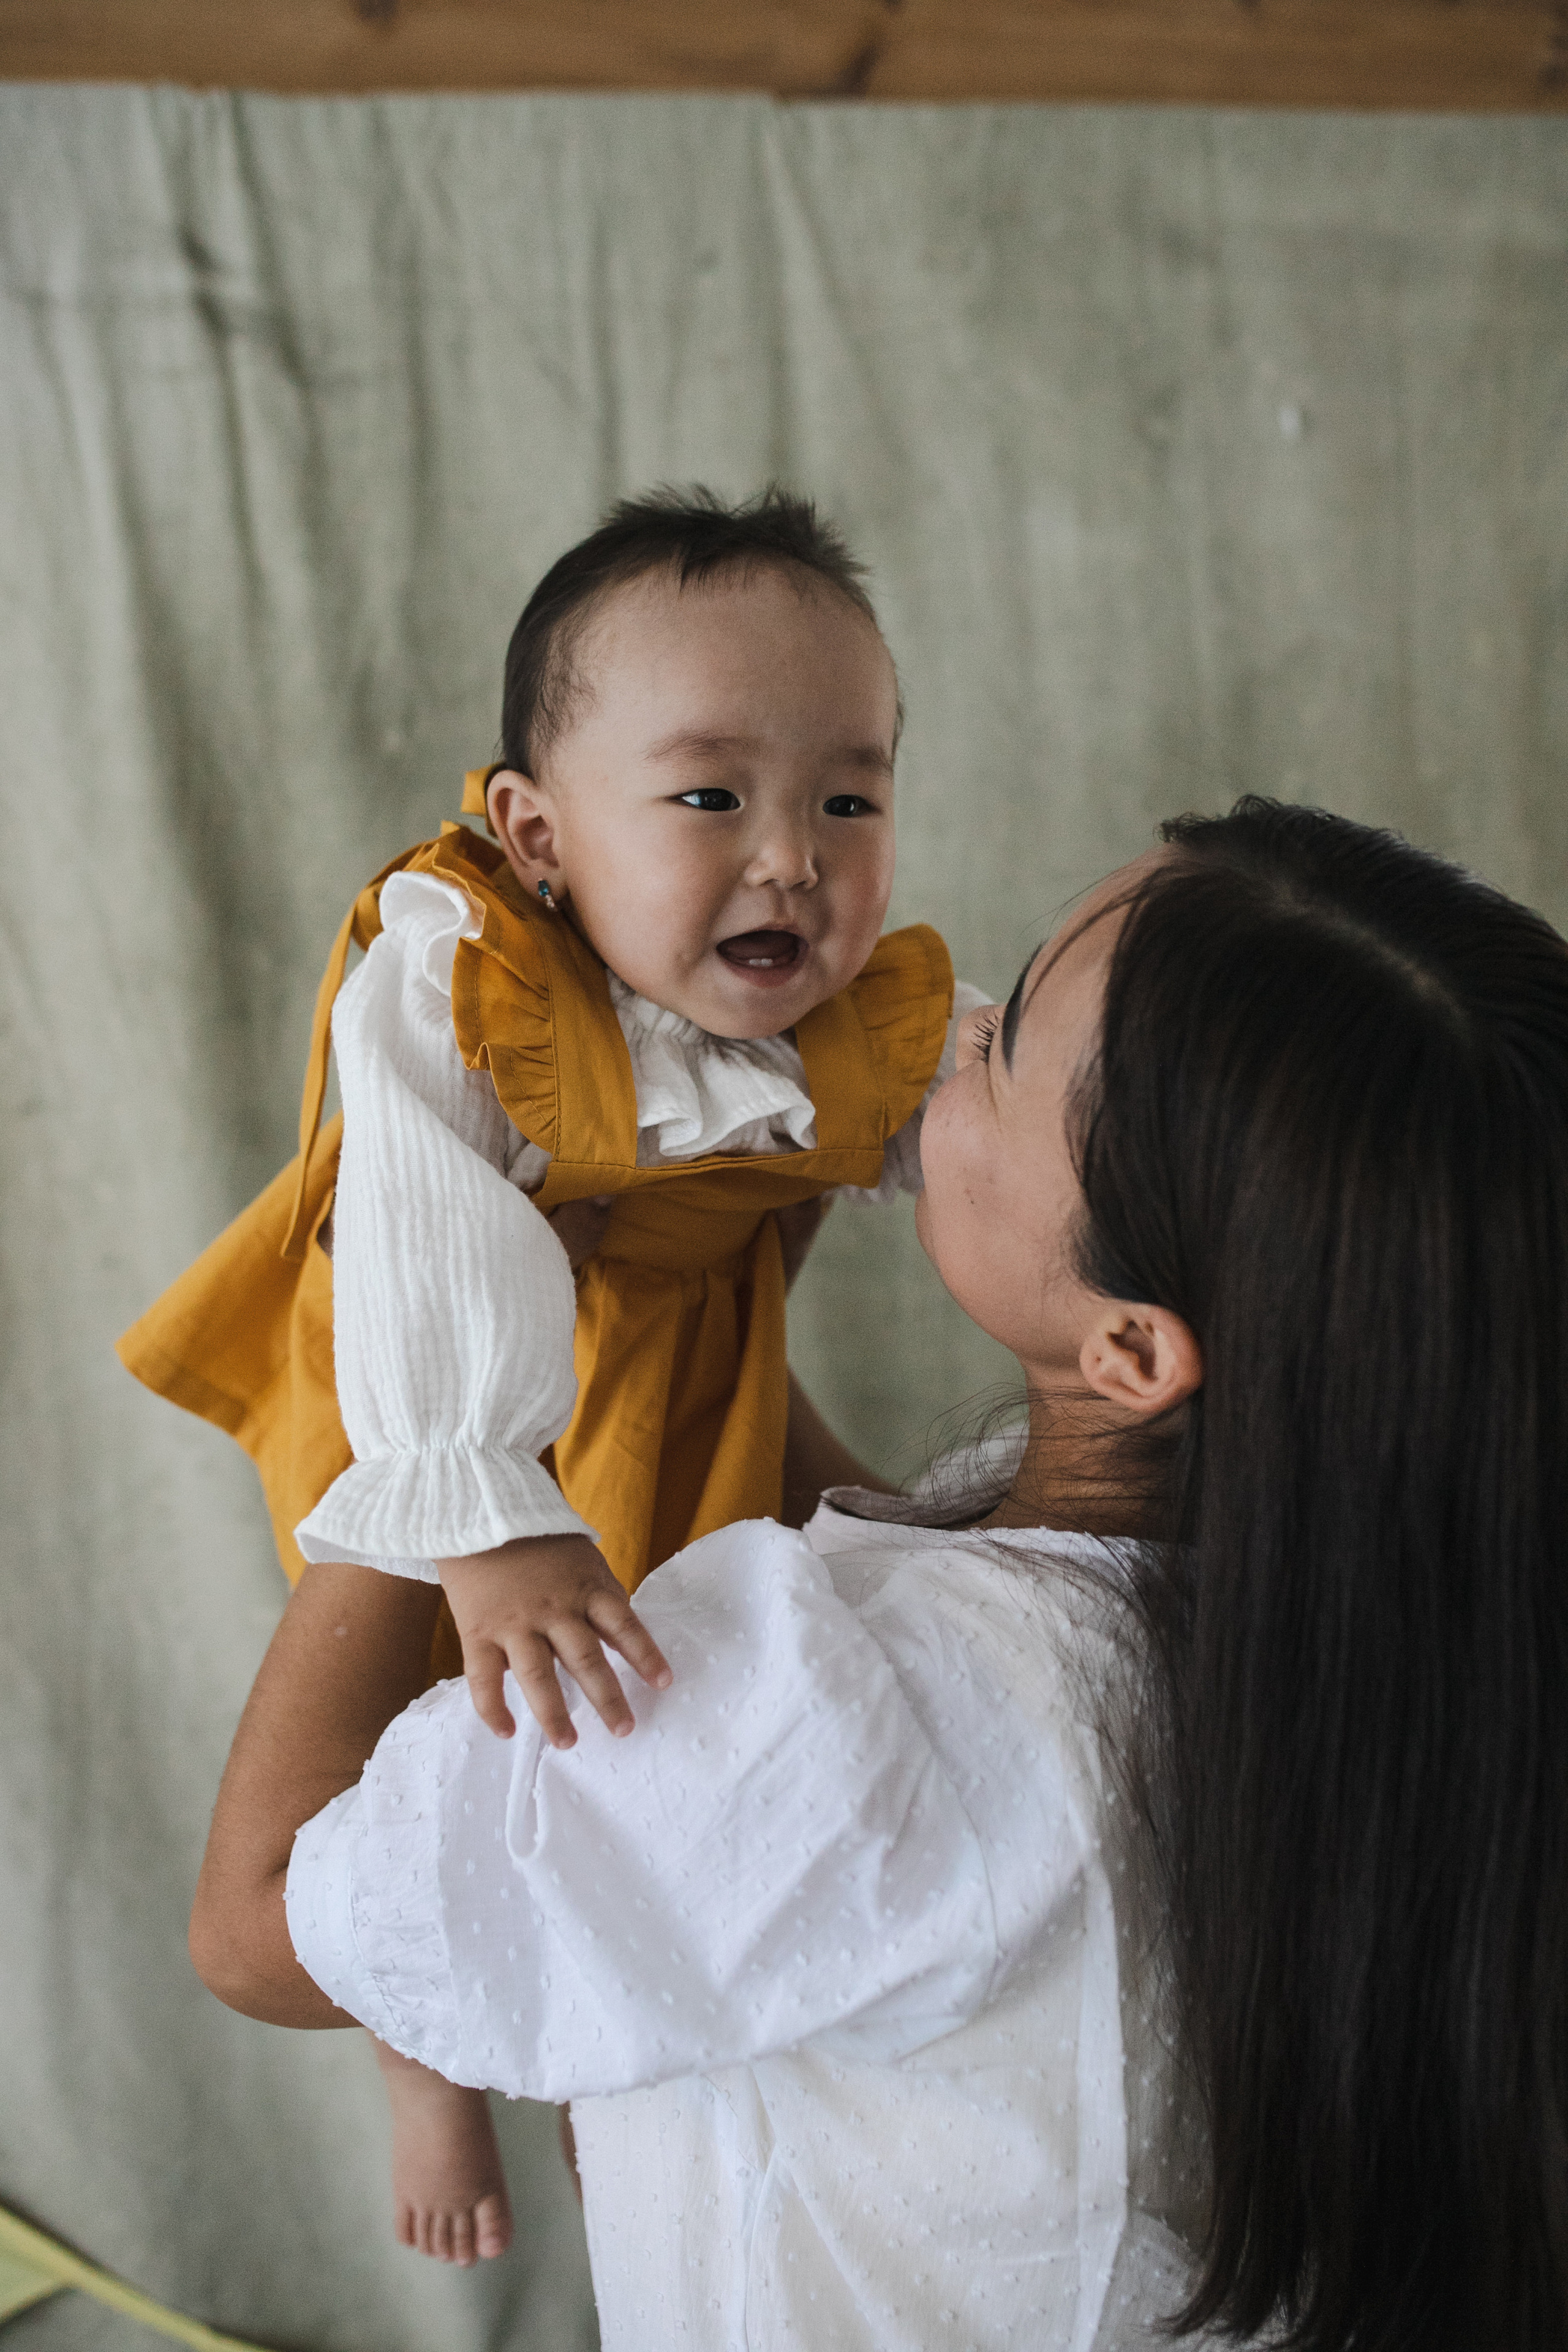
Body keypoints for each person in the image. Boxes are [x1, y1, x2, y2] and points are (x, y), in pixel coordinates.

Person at [190, 799, 1568, 2351]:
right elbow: (857, 1548)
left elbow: (257, 1922)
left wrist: (432, 1385)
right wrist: (704, 1256)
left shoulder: (835, 1720)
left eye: (1006, 1039)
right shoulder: (1363, 1606)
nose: (949, 1022)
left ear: (1129, 1347)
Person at [120, 485, 986, 2262]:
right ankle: (419, 2053)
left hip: (690, 1362)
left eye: (851, 794)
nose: (792, 857)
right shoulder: (465, 978)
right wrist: (483, 1504)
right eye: (709, 796)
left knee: (638, 1709)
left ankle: (609, 2049)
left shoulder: (840, 1013)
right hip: (447, 1373)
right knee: (452, 1697)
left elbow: (964, 1132)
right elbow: (418, 1215)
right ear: (534, 831)